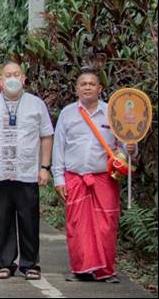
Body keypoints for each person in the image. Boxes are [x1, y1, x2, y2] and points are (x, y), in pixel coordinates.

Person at [52, 67, 137, 284]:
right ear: (77, 89)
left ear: (100, 89)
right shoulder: (67, 113)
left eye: (92, 84)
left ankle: (105, 271)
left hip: (104, 180)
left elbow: (123, 147)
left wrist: (130, 148)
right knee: (77, 225)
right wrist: (59, 179)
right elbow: (58, 147)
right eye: (83, 84)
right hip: (75, 178)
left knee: (106, 225)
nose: (87, 87)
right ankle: (80, 269)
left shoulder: (113, 112)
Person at [0, 61, 54, 281]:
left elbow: (46, 136)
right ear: (0, 80)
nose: (12, 78)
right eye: (7, 74)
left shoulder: (36, 105)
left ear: (23, 78)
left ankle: (30, 264)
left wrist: (45, 167)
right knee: (3, 219)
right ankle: (6, 263)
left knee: (29, 219)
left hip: (27, 172)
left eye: (16, 74)